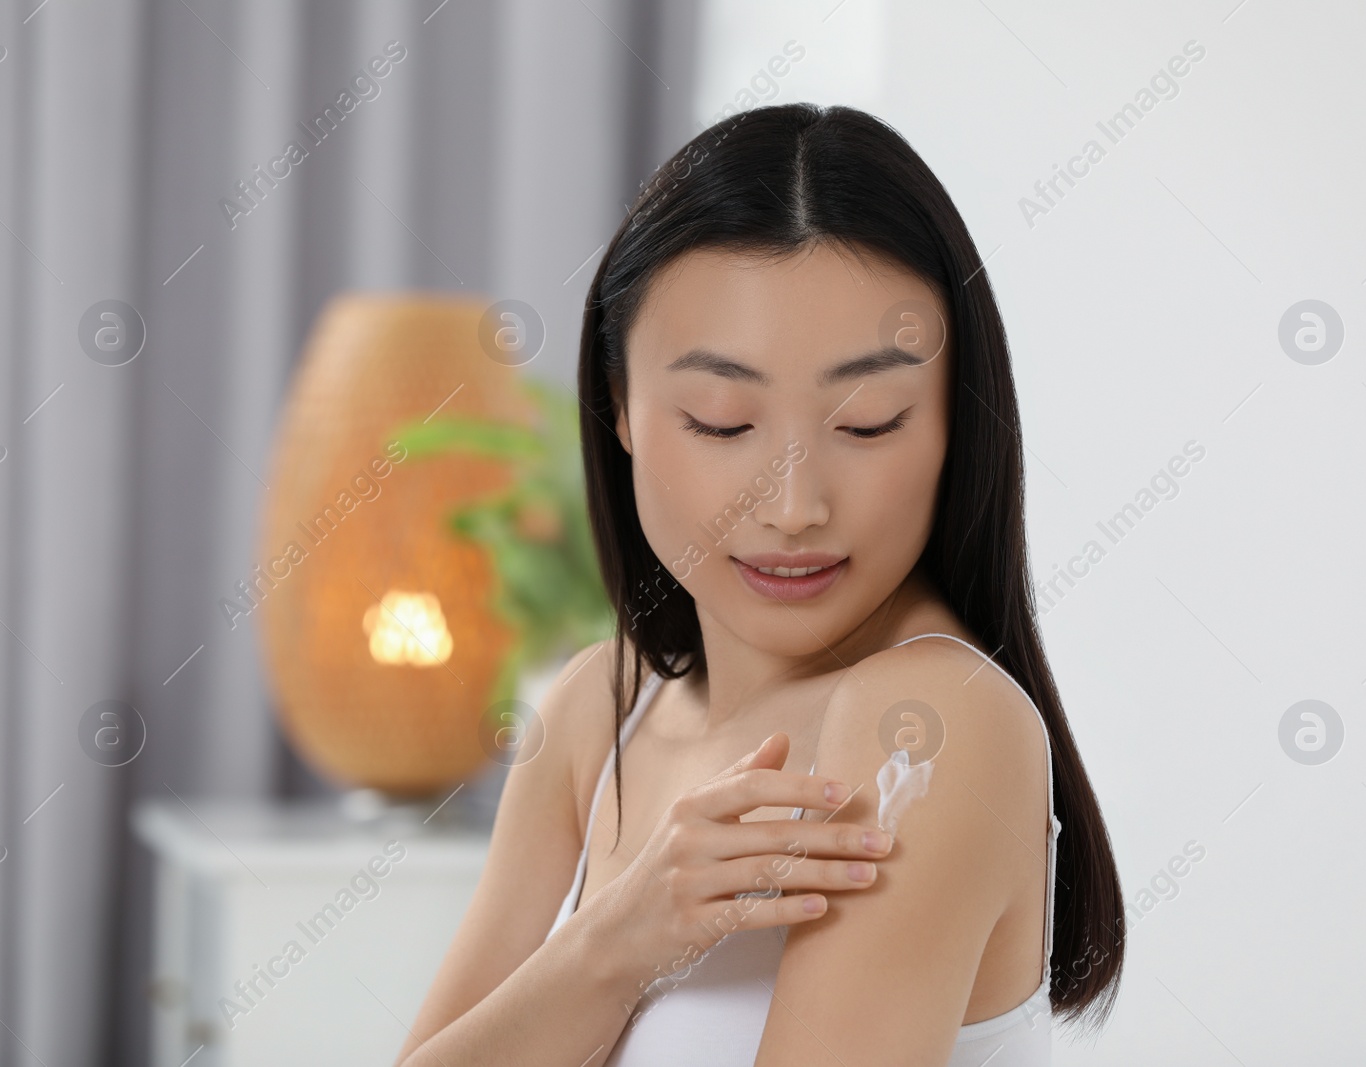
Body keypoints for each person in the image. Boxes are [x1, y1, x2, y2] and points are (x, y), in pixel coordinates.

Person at [396, 103, 1124, 1066]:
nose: (793, 508)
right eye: (719, 420)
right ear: (618, 408)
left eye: (868, 423)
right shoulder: (597, 710)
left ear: (956, 424)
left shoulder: (929, 720)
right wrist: (619, 939)